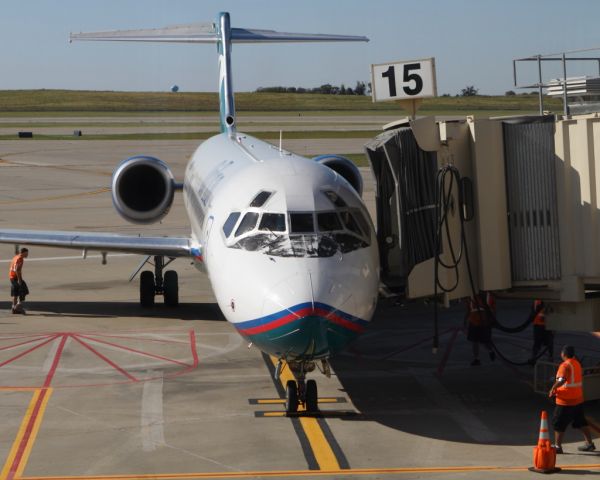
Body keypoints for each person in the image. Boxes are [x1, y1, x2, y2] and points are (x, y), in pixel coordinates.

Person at [548, 345, 596, 453]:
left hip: (565, 400)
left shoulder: (564, 365)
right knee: (581, 422)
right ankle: (589, 444)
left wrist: (552, 388)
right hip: (577, 399)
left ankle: (557, 447)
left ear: (563, 354)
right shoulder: (577, 364)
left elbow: (561, 380)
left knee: (558, 423)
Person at [465, 292, 496, 366]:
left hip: (484, 322)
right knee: (475, 342)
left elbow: (493, 310)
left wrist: (492, 320)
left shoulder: (488, 296)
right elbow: (469, 310)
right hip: (474, 322)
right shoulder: (470, 297)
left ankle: (490, 350)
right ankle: (476, 359)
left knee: (485, 341)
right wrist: (465, 320)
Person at [529, 299, 554, 364]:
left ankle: (550, 356)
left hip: (545, 325)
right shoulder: (538, 301)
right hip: (539, 325)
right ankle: (534, 357)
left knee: (548, 342)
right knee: (539, 342)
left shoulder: (542, 301)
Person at [9, 247, 29, 314]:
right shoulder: (20, 259)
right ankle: (18, 307)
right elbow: (17, 270)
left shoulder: (16, 257)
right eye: (26, 253)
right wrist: (20, 280)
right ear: (23, 253)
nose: (27, 255)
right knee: (24, 291)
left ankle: (13, 307)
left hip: (12, 277)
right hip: (16, 278)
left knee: (15, 293)